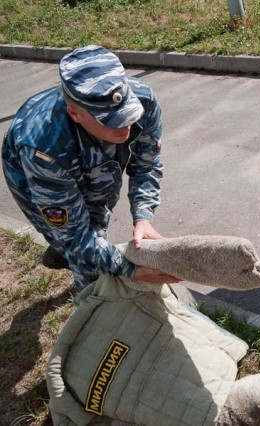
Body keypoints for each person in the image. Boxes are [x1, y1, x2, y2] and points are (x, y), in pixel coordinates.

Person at [2, 44, 178, 290]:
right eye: (110, 120)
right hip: (34, 169)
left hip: (82, 163)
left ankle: (60, 250)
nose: (125, 124)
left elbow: (146, 164)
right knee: (87, 261)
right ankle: (90, 299)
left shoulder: (144, 100)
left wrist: (143, 217)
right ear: (75, 114)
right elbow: (76, 236)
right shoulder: (42, 149)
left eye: (128, 110)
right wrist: (131, 270)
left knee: (94, 220)